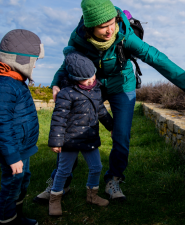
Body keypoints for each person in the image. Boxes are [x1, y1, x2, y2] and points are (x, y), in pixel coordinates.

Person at [36, 0, 185, 202]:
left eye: (111, 23)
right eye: (102, 27)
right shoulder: (78, 38)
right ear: (89, 28)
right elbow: (68, 63)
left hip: (122, 85)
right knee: (72, 129)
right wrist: (55, 82)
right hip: (90, 84)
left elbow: (157, 58)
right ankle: (61, 182)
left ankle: (113, 180)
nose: (109, 31)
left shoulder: (124, 34)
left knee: (121, 134)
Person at [48, 49, 113, 216]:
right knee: (63, 170)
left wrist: (111, 126)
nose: (91, 79)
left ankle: (92, 195)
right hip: (70, 140)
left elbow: (101, 111)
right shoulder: (66, 93)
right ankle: (55, 198)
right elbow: (59, 118)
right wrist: (56, 141)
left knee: (97, 167)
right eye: (86, 78)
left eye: (92, 75)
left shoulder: (96, 89)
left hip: (89, 137)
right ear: (75, 79)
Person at [0, 29, 44, 225]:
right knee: (11, 185)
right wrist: (12, 156)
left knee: (22, 180)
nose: (35, 66)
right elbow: (2, 123)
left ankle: (18, 216)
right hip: (14, 151)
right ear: (21, 60)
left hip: (22, 148)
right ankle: (7, 220)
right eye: (34, 61)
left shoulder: (16, 80)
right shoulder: (6, 85)